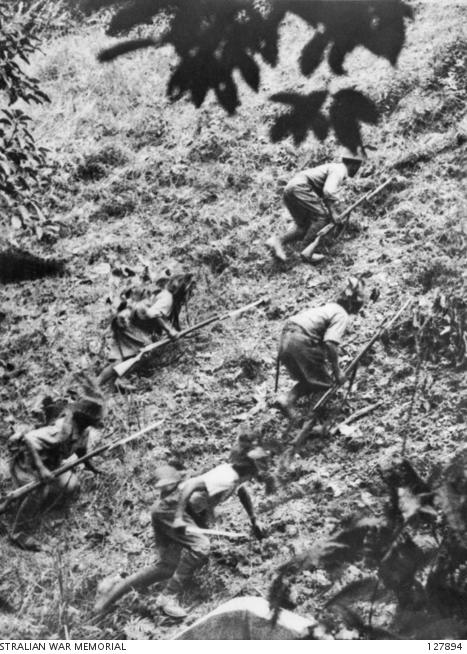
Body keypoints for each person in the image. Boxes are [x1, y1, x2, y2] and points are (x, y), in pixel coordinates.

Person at [93, 432, 275, 619]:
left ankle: (106, 599)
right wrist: (179, 517)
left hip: (170, 509)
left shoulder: (237, 477)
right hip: (172, 508)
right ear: (250, 467)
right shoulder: (226, 476)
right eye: (259, 468)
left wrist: (253, 519)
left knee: (168, 566)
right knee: (201, 546)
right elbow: (190, 486)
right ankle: (168, 597)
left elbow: (242, 491)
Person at [9, 374, 106, 551]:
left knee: (71, 484)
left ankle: (35, 506)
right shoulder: (61, 429)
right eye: (96, 418)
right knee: (40, 488)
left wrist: (92, 468)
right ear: (85, 417)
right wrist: (40, 469)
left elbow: (81, 450)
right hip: (26, 464)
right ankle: (18, 531)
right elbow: (27, 439)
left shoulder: (82, 429)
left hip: (49, 464)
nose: (99, 421)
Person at [275, 277, 365, 424]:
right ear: (353, 304)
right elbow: (330, 343)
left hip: (285, 341)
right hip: (301, 340)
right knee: (325, 383)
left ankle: (288, 400)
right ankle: (313, 422)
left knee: (309, 379)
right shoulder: (341, 314)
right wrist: (337, 371)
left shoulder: (328, 308)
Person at [98, 272, 194, 387]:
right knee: (134, 355)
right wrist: (170, 331)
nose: (192, 294)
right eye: (191, 291)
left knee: (128, 357)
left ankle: (110, 381)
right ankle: (98, 383)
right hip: (129, 325)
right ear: (183, 290)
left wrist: (179, 333)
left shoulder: (172, 300)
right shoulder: (168, 299)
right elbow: (153, 313)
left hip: (133, 325)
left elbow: (173, 322)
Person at [266, 153, 363, 263]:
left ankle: (277, 241)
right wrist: (333, 213)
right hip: (300, 187)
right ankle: (306, 250)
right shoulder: (340, 170)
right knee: (322, 217)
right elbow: (328, 191)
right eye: (359, 166)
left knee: (306, 227)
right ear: (355, 165)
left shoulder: (334, 167)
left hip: (290, 189)